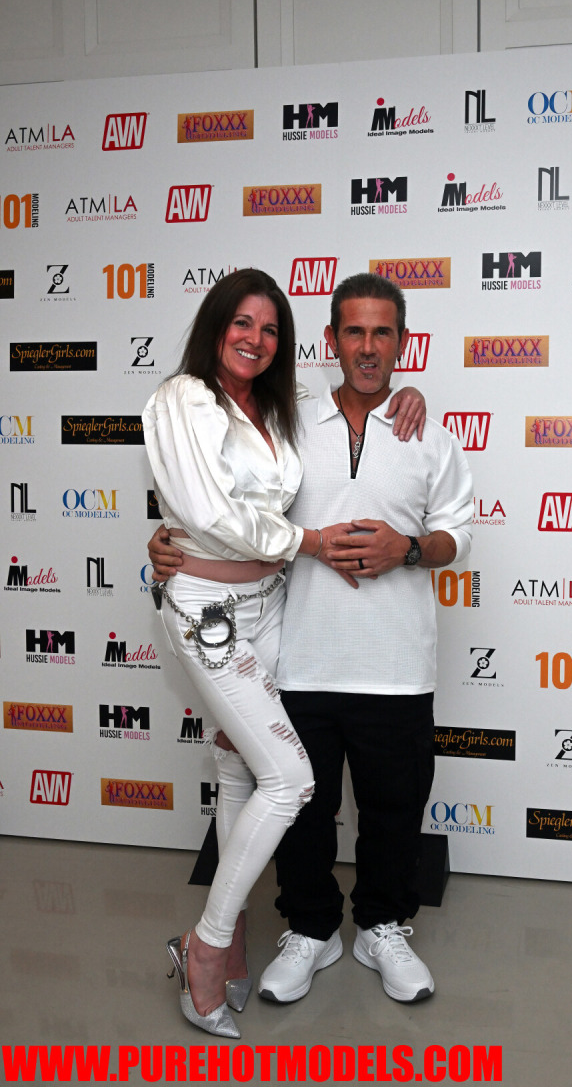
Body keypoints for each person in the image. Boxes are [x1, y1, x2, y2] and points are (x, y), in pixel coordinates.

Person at [151, 273, 472, 1005]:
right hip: (299, 659)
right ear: (331, 341)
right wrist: (170, 541)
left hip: (397, 666)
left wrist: (410, 549)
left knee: (394, 812)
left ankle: (383, 927)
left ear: (403, 342)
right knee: (302, 813)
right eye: (354, 331)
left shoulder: (430, 435)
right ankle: (310, 929)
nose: (368, 347)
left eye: (383, 332)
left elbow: (460, 533)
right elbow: (227, 499)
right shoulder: (285, 421)